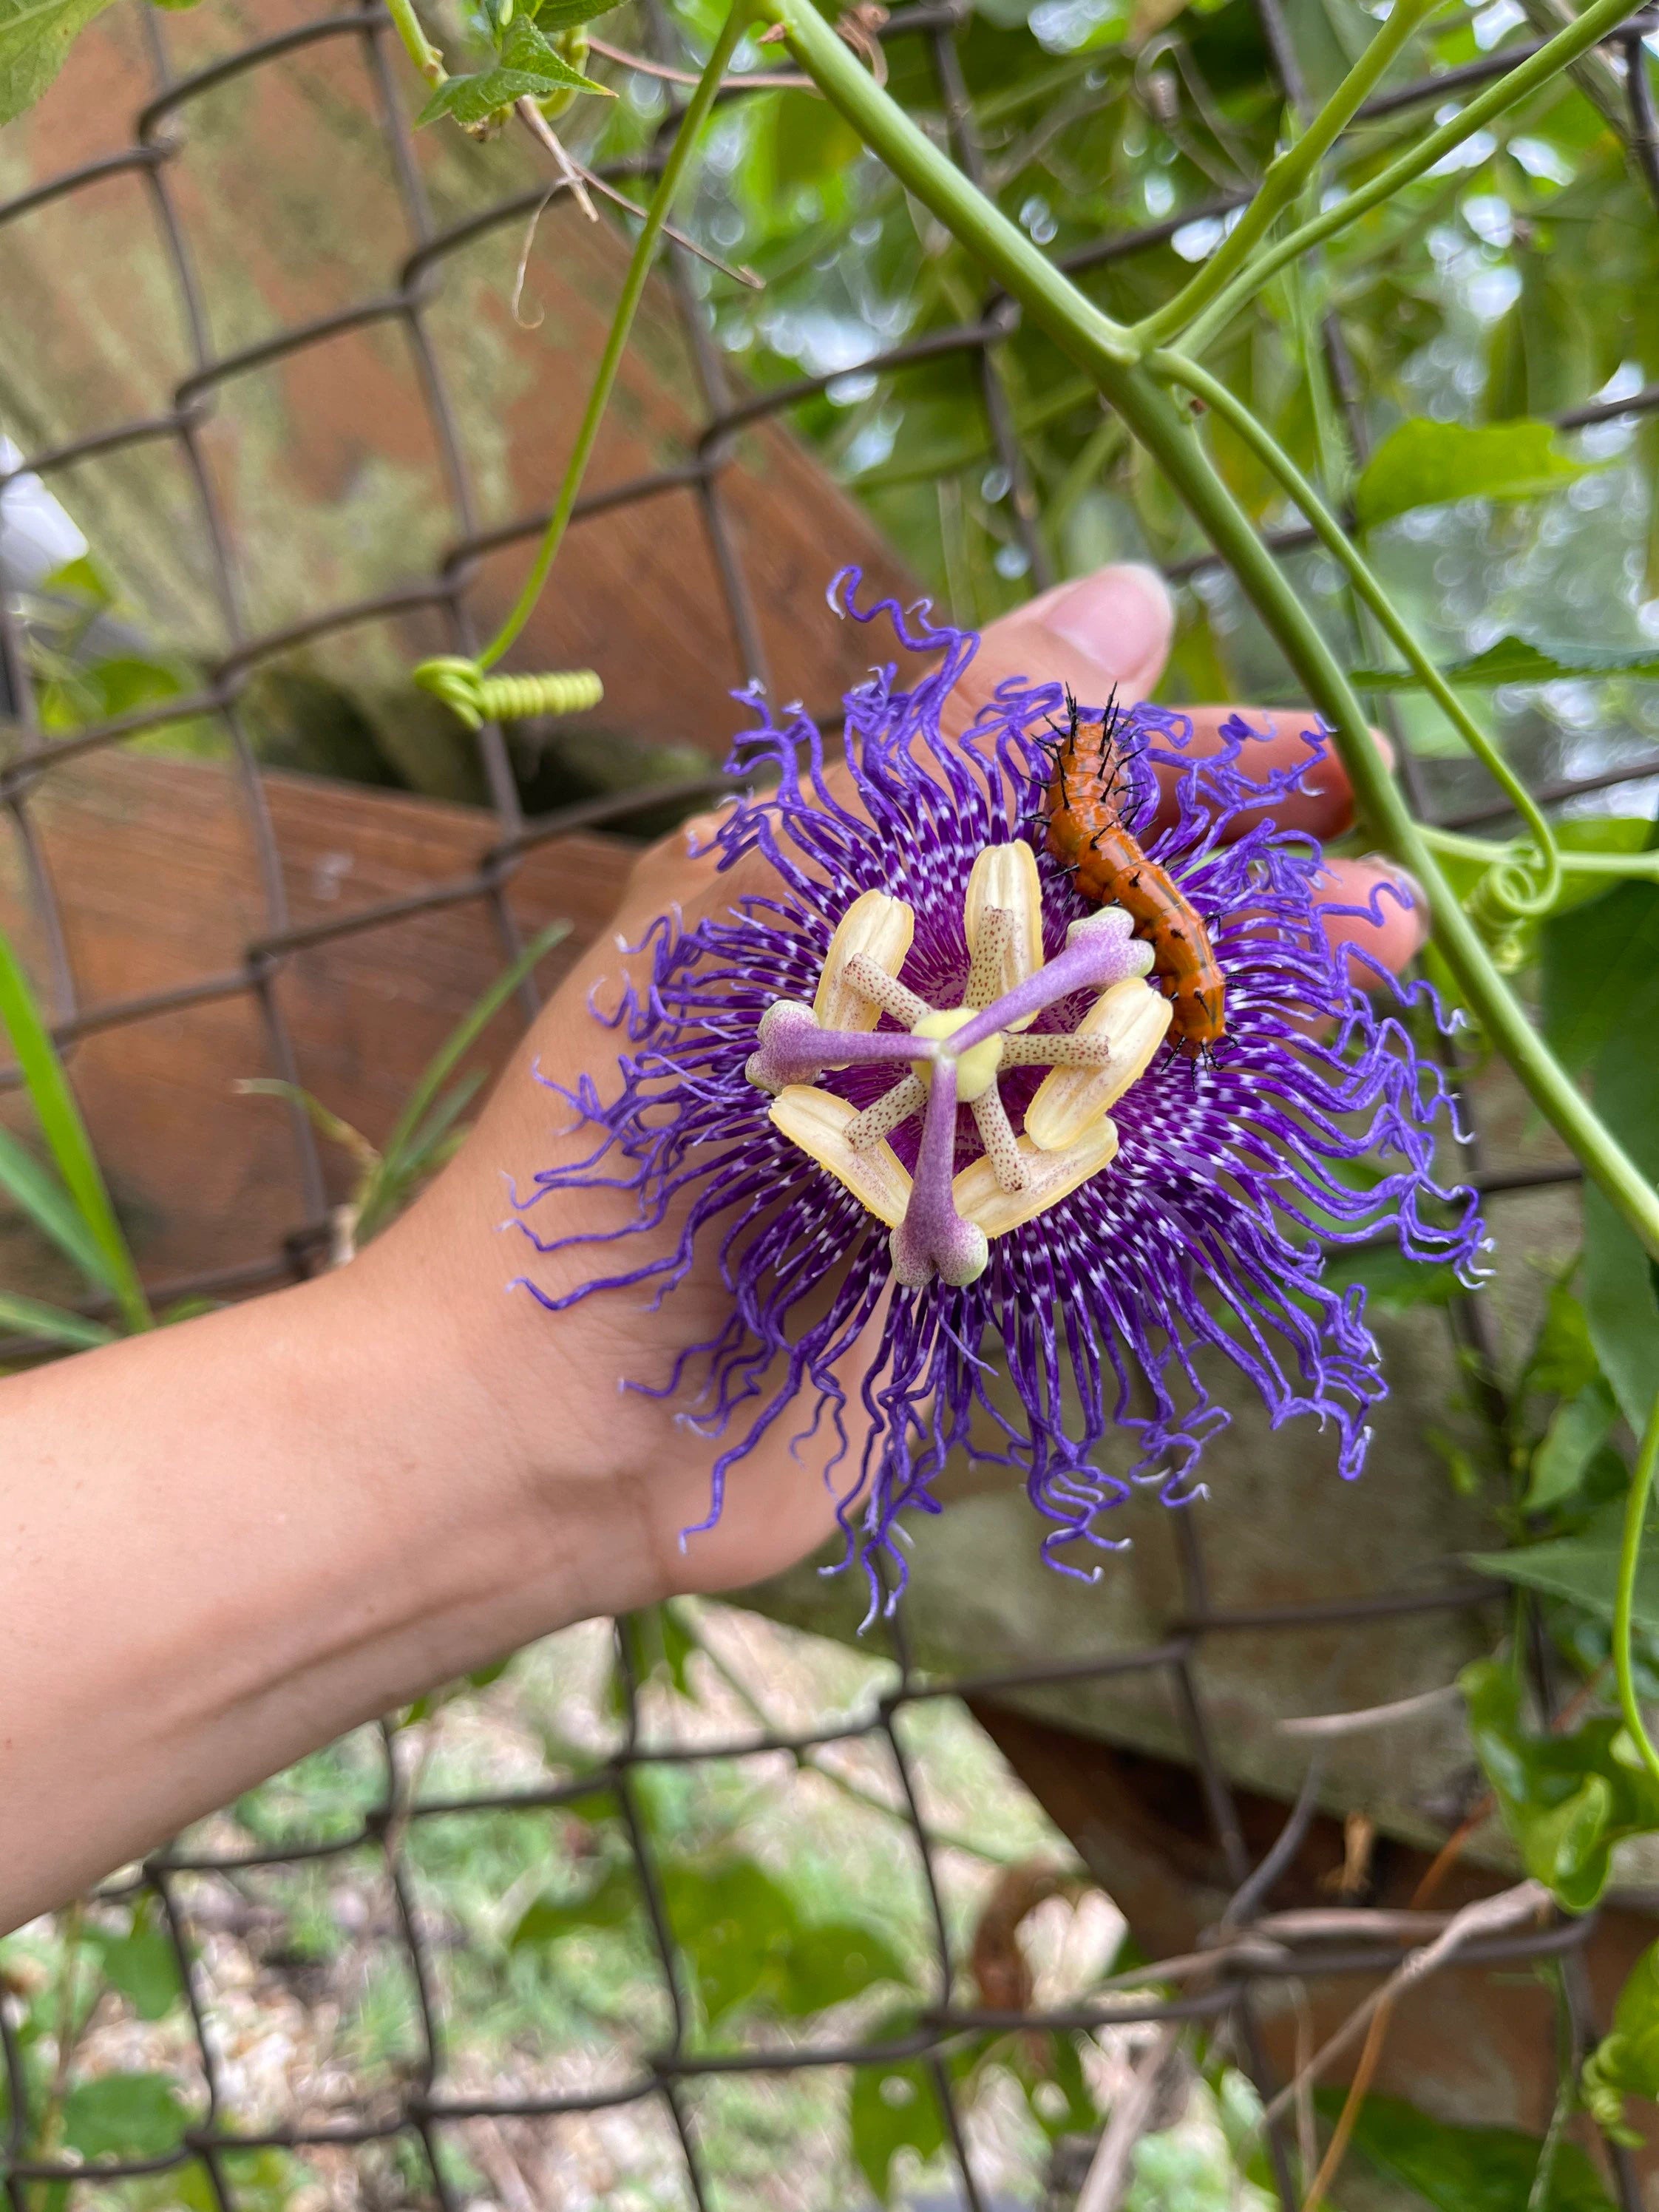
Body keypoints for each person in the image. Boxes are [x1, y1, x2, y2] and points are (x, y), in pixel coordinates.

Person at [0, 564, 1421, 1932]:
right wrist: (503, 1411)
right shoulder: (1037, 1131)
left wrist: (500, 1419)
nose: (949, 1059)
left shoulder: (932, 1011)